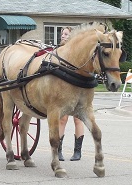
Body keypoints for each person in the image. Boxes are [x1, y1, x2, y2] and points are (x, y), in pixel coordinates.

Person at [57, 26, 84, 161]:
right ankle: (58, 150)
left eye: (66, 34)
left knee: (78, 119)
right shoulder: (57, 52)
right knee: (62, 119)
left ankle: (77, 151)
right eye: (62, 34)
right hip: (63, 91)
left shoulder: (77, 53)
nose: (63, 36)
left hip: (77, 90)